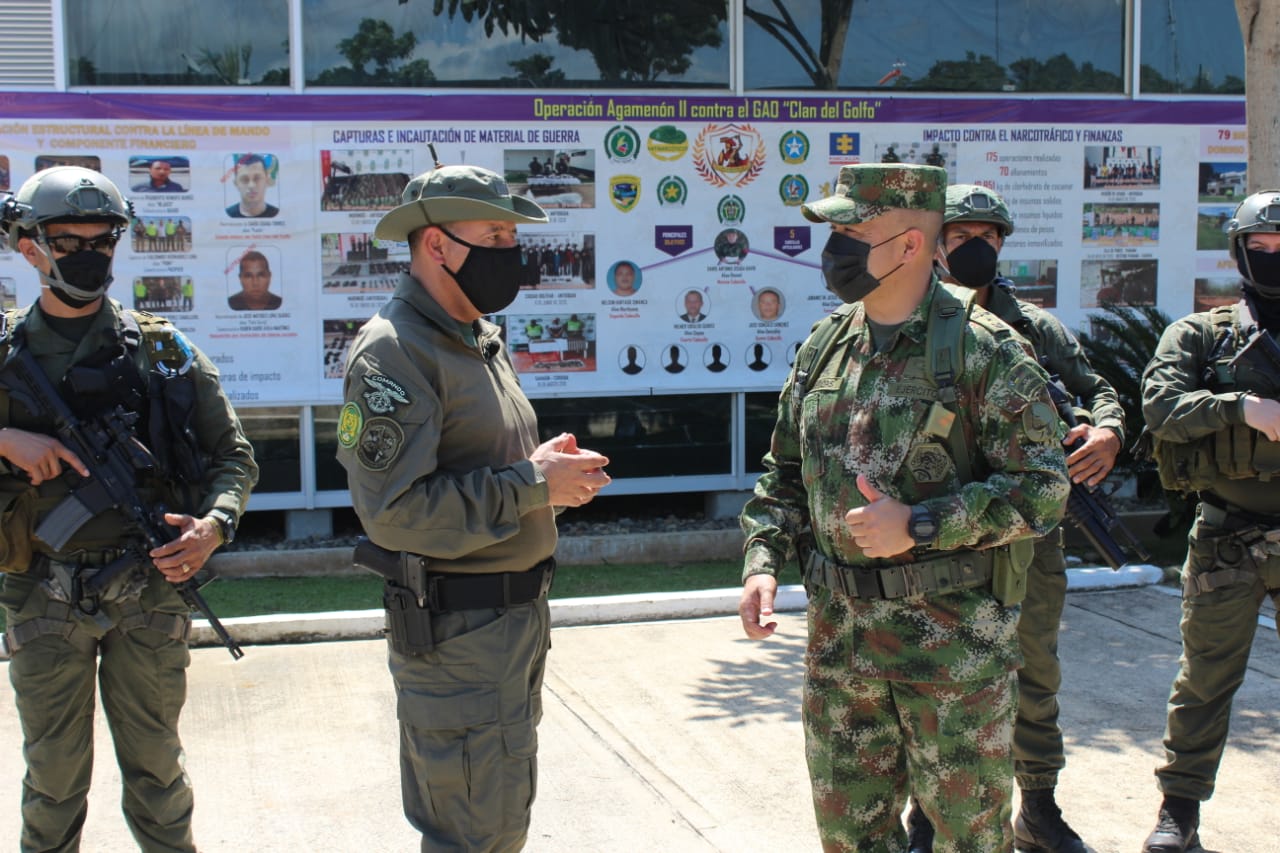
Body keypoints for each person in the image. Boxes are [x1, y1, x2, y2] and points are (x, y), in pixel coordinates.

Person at [738, 163, 1069, 852]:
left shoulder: (987, 352)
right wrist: (762, 561)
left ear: (912, 244)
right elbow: (784, 474)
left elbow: (1043, 487)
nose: (836, 247)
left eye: (853, 231)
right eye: (836, 232)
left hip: (953, 657)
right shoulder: (826, 346)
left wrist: (919, 522)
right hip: (840, 654)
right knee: (850, 838)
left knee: (967, 841)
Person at [336, 162, 612, 852]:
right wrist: (530, 483)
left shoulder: (476, 339)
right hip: (458, 635)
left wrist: (550, 477)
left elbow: (487, 469)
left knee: (496, 824)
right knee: (469, 835)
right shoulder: (395, 352)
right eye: (493, 234)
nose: (509, 252)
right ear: (436, 245)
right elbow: (394, 513)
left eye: (510, 235)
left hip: (509, 626)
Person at [0, 166, 256, 852]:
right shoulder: (5, 354)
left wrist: (213, 525)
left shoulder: (164, 350)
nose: (88, 253)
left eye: (102, 240)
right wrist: (6, 437)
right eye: (68, 240)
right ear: (29, 248)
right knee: (52, 785)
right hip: (44, 594)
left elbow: (234, 456)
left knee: (158, 779)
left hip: (149, 592)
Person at [904, 184, 1124, 853]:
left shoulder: (1032, 327)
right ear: (938, 244)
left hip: (1027, 532)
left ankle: (1038, 806)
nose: (975, 247)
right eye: (962, 234)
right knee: (931, 669)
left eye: (989, 236)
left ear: (1003, 245)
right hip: (938, 529)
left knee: (1034, 669)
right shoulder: (908, 322)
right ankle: (925, 817)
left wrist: (1108, 431)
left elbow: (1099, 390)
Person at [1138, 188, 1280, 853]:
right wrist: (1239, 408)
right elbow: (1161, 404)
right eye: (1262, 248)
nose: (1274, 258)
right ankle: (1179, 811)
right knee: (1204, 680)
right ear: (1239, 252)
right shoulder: (1203, 334)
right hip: (1229, 532)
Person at [225, 153, 279, 219]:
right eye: (245, 179)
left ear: (266, 180)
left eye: (257, 178)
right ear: (236, 184)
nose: (251, 185)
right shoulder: (226, 215)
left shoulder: (277, 214)